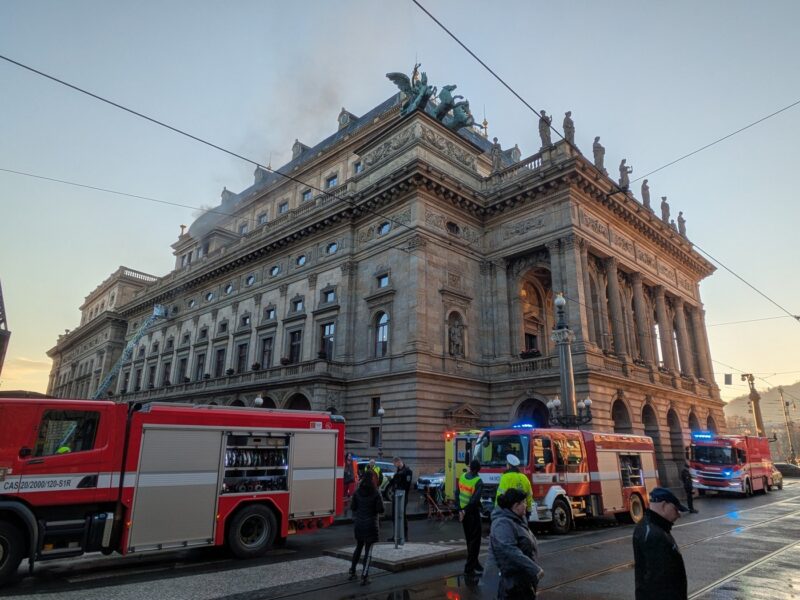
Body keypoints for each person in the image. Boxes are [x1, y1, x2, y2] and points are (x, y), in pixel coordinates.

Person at [632, 487, 688, 600]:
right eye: (675, 509)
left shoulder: (650, 527)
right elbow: (660, 583)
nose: (678, 515)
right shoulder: (654, 534)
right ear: (663, 505)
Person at [489, 488, 544, 599]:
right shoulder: (503, 523)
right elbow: (509, 550)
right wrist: (534, 568)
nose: (526, 505)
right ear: (515, 505)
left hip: (523, 582)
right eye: (523, 502)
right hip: (513, 586)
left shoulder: (518, 520)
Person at [349, 474, 384, 585]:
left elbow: (353, 507)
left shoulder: (357, 492)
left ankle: (352, 571)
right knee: (368, 551)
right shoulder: (375, 493)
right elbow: (381, 509)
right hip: (371, 525)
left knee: (358, 547)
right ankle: (364, 576)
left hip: (359, 524)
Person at [458, 459, 484, 575]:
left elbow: (457, 493)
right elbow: (474, 500)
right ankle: (469, 568)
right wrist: (465, 511)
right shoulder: (478, 481)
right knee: (475, 542)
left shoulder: (463, 476)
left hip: (464, 513)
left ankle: (475, 563)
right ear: (479, 469)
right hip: (472, 513)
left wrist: (460, 509)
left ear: (470, 467)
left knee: (469, 540)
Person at [387, 456, 413, 542]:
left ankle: (405, 536)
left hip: (402, 496)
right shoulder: (398, 470)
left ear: (398, 462)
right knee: (395, 516)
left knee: (402, 515)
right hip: (396, 495)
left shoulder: (408, 471)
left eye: (395, 464)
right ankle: (395, 535)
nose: (395, 466)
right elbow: (395, 481)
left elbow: (407, 486)